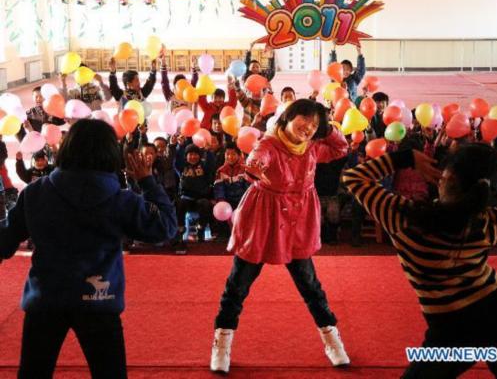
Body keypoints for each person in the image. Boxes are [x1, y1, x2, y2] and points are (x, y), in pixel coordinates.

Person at [343, 143, 497, 378]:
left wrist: (406, 156)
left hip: (450, 333)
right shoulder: (489, 223)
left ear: (450, 177)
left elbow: (354, 177)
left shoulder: (402, 218)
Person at [0, 119, 177, 378]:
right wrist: (148, 182)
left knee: (33, 374)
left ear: (67, 148)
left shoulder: (36, 193)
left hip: (46, 299)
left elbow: (4, 242)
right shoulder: (120, 199)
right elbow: (166, 228)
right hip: (98, 301)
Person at [210, 99, 350, 373]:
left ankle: (333, 341)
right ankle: (221, 345)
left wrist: (327, 124)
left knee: (310, 285)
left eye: (314, 125)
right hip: (264, 217)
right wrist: (254, 167)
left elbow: (340, 148)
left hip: (297, 218)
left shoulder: (313, 146)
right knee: (237, 285)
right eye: (304, 120)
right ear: (288, 117)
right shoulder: (269, 143)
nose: (308, 128)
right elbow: (256, 159)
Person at [159, 46, 199, 113]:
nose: (182, 88)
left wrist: (193, 67)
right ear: (174, 87)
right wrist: (162, 63)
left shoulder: (189, 94)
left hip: (187, 122)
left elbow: (195, 82)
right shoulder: (170, 95)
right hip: (172, 122)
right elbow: (164, 81)